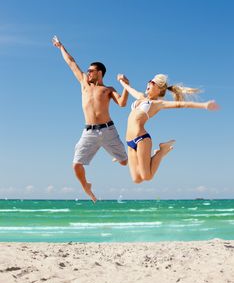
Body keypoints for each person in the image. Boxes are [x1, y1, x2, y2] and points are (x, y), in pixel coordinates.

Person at [52, 36, 129, 202]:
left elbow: (122, 103)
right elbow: (71, 63)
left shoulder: (108, 89)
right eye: (87, 71)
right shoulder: (84, 84)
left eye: (91, 71)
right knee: (76, 164)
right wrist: (60, 47)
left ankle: (119, 154)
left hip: (109, 130)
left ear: (99, 73)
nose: (88, 73)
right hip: (89, 132)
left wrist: (125, 85)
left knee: (124, 163)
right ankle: (86, 186)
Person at [117, 73, 219, 184]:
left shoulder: (157, 103)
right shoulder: (141, 97)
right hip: (129, 142)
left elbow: (180, 104)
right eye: (149, 81)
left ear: (159, 89)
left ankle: (162, 151)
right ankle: (160, 152)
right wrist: (122, 81)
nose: (149, 83)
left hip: (141, 139)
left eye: (152, 82)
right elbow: (129, 89)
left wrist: (204, 105)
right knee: (136, 179)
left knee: (147, 177)